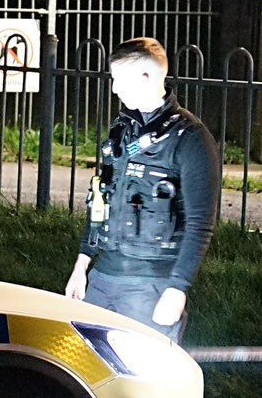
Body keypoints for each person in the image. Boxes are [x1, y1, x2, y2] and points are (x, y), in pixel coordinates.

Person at [63, 37, 217, 341]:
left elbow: (201, 224)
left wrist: (177, 288)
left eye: (119, 79)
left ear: (146, 77)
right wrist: (82, 264)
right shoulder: (122, 129)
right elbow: (101, 198)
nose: (114, 89)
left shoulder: (191, 139)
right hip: (102, 278)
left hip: (151, 285)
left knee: (145, 379)